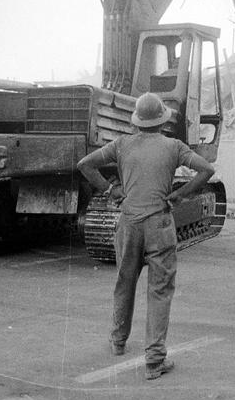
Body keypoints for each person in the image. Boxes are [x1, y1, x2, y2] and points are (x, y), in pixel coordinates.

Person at [77, 92, 215, 381]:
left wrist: (111, 189)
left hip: (129, 223)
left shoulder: (122, 144)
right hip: (159, 224)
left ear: (137, 120)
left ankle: (118, 341)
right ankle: (154, 359)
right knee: (160, 290)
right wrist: (180, 194)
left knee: (124, 282)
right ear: (162, 120)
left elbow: (85, 165)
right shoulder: (174, 146)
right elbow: (206, 170)